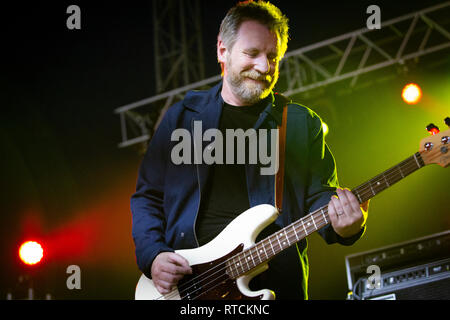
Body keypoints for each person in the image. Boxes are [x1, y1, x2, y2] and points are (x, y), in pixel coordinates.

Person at [131, 0, 368, 300]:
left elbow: (320, 197)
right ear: (222, 51)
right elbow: (147, 197)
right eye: (252, 53)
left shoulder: (299, 124)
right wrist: (153, 256)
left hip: (274, 287)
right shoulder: (182, 118)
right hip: (188, 289)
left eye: (273, 57)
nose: (264, 67)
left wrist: (346, 227)